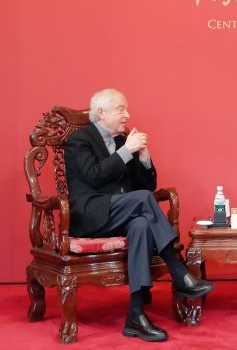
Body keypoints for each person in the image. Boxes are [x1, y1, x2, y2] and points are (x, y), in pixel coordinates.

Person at [65, 88, 213, 342]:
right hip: (91, 216)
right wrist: (126, 152)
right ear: (101, 113)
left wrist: (144, 158)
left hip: (122, 215)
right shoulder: (80, 141)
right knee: (143, 202)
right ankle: (178, 270)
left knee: (142, 224)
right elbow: (94, 176)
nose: (127, 115)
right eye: (121, 109)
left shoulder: (123, 141)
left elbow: (146, 187)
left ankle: (136, 314)